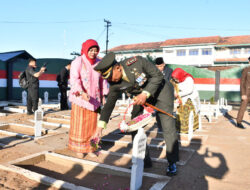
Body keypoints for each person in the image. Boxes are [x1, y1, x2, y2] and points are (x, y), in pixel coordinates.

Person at [94, 52, 179, 176]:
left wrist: (145, 94)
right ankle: (144, 160)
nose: (110, 81)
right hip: (140, 97)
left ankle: (172, 162)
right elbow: (109, 105)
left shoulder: (137, 62)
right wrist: (100, 127)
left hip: (161, 92)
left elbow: (157, 76)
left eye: (110, 76)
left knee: (167, 126)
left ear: (117, 67)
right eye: (107, 79)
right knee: (133, 125)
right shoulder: (114, 84)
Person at [68, 39, 109, 158]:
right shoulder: (78, 61)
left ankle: (91, 147)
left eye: (95, 50)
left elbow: (103, 80)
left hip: (93, 99)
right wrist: (81, 92)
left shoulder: (99, 63)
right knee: (80, 124)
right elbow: (74, 79)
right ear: (86, 50)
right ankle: (79, 148)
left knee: (92, 126)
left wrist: (103, 95)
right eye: (91, 50)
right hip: (80, 99)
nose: (93, 52)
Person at [171, 68, 200, 133]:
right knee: (179, 113)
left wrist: (178, 94)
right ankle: (179, 128)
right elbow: (175, 87)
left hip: (190, 98)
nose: (175, 80)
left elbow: (189, 90)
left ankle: (187, 129)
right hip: (181, 99)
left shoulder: (189, 79)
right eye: (174, 79)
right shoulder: (175, 80)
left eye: (176, 78)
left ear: (180, 75)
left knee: (186, 113)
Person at [154, 57, 174, 131]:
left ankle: (168, 127)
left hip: (167, 95)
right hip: (157, 95)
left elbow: (171, 83)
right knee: (158, 111)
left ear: (164, 64)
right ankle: (160, 126)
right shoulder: (154, 71)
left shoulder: (169, 71)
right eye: (157, 66)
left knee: (167, 112)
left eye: (160, 66)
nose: (159, 68)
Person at [236, 56, 250, 129]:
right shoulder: (246, 70)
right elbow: (242, 82)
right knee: (243, 108)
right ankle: (238, 122)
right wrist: (243, 94)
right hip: (247, 93)